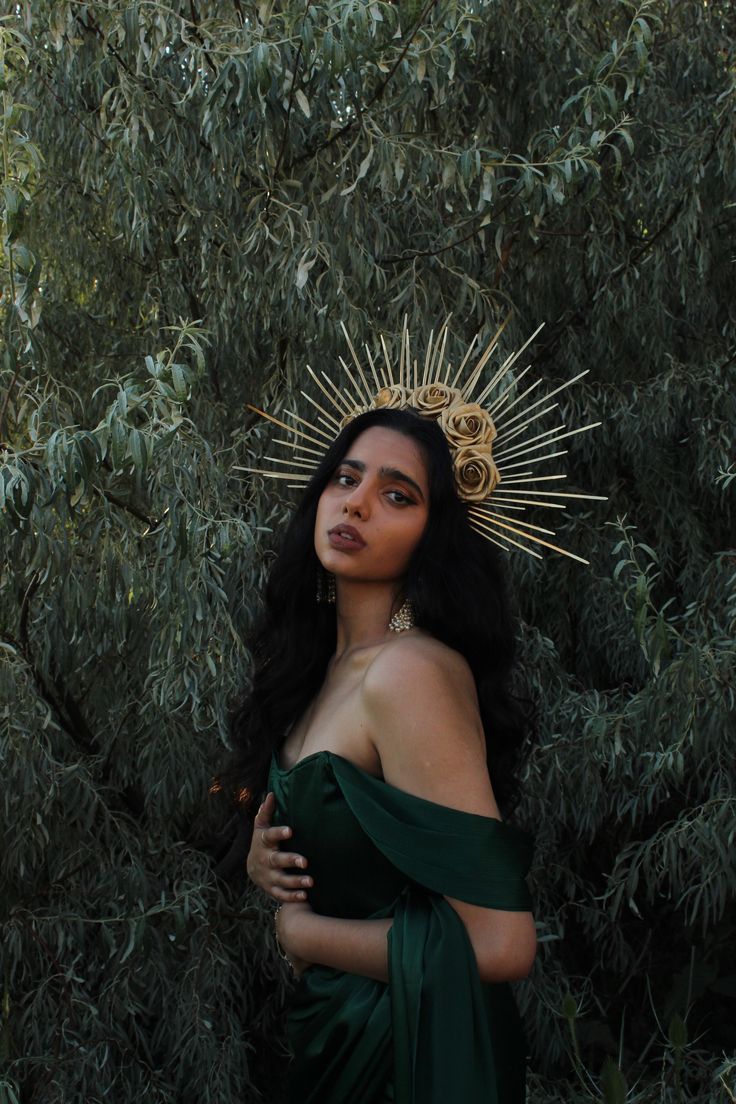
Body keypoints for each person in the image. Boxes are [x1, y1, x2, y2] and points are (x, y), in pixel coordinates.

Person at [229, 402, 537, 1104]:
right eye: (345, 479)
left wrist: (302, 931)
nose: (357, 504)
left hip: (416, 1058)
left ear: (435, 536)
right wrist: (265, 858)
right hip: (336, 1039)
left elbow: (500, 943)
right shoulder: (319, 675)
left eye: (397, 494)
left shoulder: (410, 673)